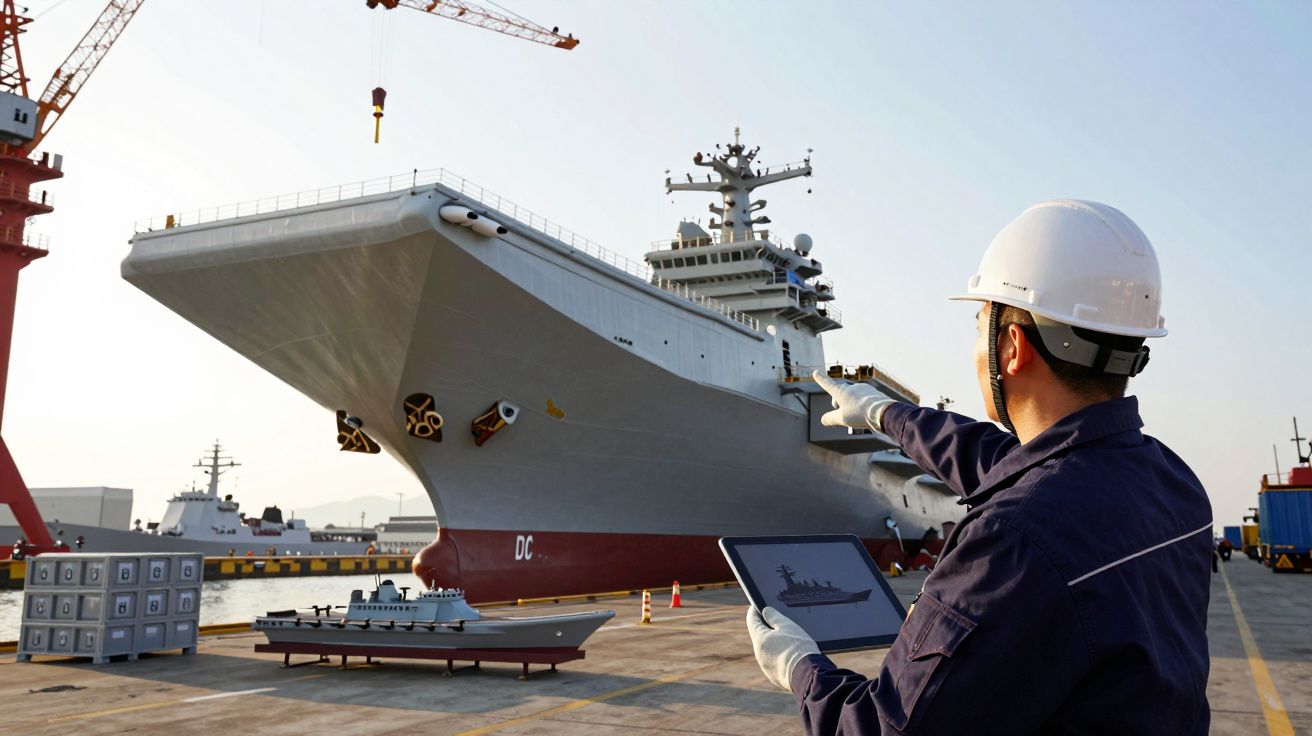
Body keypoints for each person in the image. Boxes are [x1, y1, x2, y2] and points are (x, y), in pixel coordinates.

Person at [746, 200, 1212, 734]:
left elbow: (887, 728)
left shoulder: (1011, 541)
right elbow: (998, 461)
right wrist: (881, 412)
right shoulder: (1175, 484)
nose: (973, 347)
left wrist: (800, 670)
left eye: (978, 325)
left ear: (1011, 348)